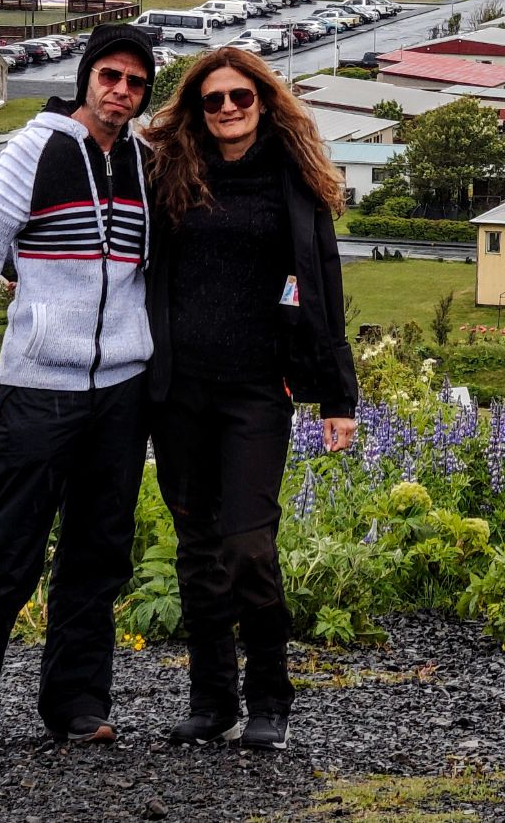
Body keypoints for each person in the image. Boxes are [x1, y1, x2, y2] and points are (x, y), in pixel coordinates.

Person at [0, 22, 157, 746]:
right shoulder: (36, 146)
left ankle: (79, 706)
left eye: (136, 82)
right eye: (110, 76)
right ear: (86, 78)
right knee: (2, 546)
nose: (121, 91)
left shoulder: (145, 159)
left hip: (121, 387)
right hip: (39, 382)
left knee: (98, 552)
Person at [142, 45, 357, 750]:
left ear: (264, 102)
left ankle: (270, 696)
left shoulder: (293, 180)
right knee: (196, 548)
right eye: (214, 100)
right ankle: (211, 702)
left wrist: (337, 397)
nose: (229, 108)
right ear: (197, 110)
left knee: (248, 548)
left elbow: (322, 286)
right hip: (177, 392)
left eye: (241, 97)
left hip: (257, 392)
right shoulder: (166, 171)